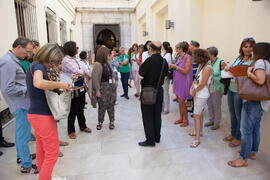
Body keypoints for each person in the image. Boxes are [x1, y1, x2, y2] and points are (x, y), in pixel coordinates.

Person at [26, 43, 69, 180]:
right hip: (42, 116)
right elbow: (38, 83)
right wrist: (60, 84)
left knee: (41, 148)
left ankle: (46, 177)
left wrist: (57, 87)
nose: (53, 66)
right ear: (47, 56)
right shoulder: (38, 66)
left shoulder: (34, 66)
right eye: (53, 62)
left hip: (35, 114)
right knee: (53, 152)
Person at [228, 42, 270, 167]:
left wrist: (249, 73)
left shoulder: (260, 63)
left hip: (253, 101)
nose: (251, 51)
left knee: (245, 129)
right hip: (261, 101)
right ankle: (252, 152)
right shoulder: (267, 63)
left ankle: (243, 158)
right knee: (255, 128)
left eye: (253, 49)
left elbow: (260, 80)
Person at [0, 37, 38, 174]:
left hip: (22, 102)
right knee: (23, 135)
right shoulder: (8, 62)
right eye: (27, 52)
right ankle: (26, 165)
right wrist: (27, 88)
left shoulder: (14, 60)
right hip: (20, 103)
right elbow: (6, 88)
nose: (28, 55)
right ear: (18, 47)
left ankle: (21, 157)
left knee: (20, 133)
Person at [223, 38, 256, 148]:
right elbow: (232, 67)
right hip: (231, 88)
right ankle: (232, 134)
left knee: (238, 115)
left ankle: (238, 137)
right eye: (245, 46)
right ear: (241, 47)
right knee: (232, 114)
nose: (247, 49)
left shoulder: (254, 60)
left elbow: (247, 75)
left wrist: (236, 71)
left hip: (240, 90)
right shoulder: (239, 57)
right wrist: (228, 68)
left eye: (250, 47)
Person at [138, 41, 168, 147]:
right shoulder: (164, 61)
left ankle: (150, 140)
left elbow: (140, 76)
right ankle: (157, 137)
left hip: (148, 92)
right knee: (157, 115)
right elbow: (165, 76)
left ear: (150, 49)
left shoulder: (148, 61)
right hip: (159, 91)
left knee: (147, 116)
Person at [62, 41, 91, 139]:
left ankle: (83, 126)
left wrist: (82, 72)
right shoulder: (66, 60)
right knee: (73, 109)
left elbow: (84, 70)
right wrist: (82, 72)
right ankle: (71, 130)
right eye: (76, 47)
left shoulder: (77, 59)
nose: (77, 49)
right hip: (73, 88)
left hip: (81, 85)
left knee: (81, 108)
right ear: (71, 48)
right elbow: (78, 71)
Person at [189, 49, 213, 148]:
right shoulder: (201, 65)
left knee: (196, 115)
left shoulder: (207, 68)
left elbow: (203, 83)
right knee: (199, 113)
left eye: (194, 56)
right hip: (197, 92)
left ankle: (197, 139)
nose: (193, 58)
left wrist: (194, 91)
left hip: (202, 94)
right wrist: (191, 87)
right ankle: (200, 131)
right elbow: (196, 79)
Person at [92, 46, 116, 130]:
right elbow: (95, 79)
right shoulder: (97, 64)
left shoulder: (107, 63)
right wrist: (97, 90)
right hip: (102, 88)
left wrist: (113, 80)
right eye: (107, 53)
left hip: (110, 87)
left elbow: (111, 73)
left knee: (111, 105)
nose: (108, 55)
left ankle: (112, 121)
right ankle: (100, 122)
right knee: (102, 106)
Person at [170, 41, 193, 127]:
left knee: (182, 101)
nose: (175, 50)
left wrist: (175, 67)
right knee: (179, 101)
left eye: (177, 48)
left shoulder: (188, 57)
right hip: (177, 81)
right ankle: (181, 117)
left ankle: (185, 120)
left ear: (181, 49)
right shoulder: (178, 57)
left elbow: (186, 71)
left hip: (184, 82)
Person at [205, 47, 227, 130]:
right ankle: (211, 120)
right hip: (208, 87)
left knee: (216, 106)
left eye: (207, 54)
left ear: (212, 54)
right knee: (209, 104)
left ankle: (216, 123)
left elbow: (226, 75)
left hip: (218, 87)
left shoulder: (221, 63)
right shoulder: (209, 62)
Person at [161, 41, 173, 114]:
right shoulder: (164, 54)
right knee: (162, 91)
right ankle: (162, 106)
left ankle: (166, 108)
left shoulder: (168, 55)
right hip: (162, 75)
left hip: (165, 76)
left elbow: (166, 65)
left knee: (165, 92)